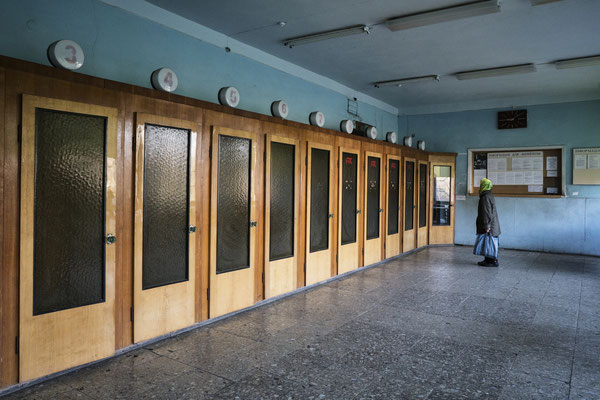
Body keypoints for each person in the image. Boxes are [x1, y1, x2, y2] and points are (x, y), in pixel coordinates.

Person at [476, 178, 501, 267]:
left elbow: (487, 212)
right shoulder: (489, 195)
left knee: (489, 242)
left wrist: (487, 225)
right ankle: (488, 260)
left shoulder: (485, 197)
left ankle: (492, 261)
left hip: (490, 224)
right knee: (489, 242)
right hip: (493, 224)